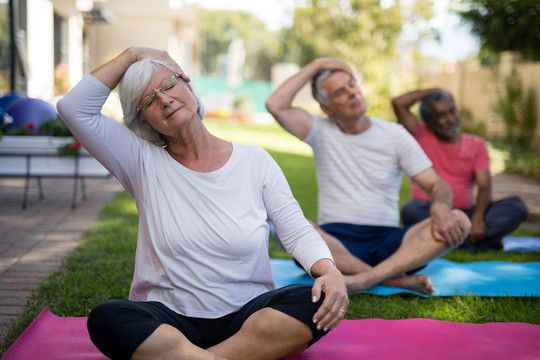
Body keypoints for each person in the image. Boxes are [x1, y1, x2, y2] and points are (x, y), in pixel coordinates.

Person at [57, 47, 348, 360]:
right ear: (144, 119)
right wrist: (133, 54)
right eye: (150, 100)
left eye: (168, 86)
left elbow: (294, 228)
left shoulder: (255, 161)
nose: (165, 99)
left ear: (188, 86)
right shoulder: (140, 160)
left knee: (316, 299)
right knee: (108, 319)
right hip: (171, 318)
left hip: (248, 314)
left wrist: (328, 270)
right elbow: (74, 108)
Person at [265, 58, 471, 296]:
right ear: (327, 108)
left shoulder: (395, 134)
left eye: (352, 84)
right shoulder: (319, 130)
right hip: (334, 242)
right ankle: (393, 280)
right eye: (341, 92)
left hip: (388, 243)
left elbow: (436, 184)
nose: (353, 93)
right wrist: (318, 65)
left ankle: (364, 279)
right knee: (282, 226)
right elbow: (275, 104)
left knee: (459, 219)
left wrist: (442, 207)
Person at [391, 88, 528, 250]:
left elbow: (484, 186)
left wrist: (477, 218)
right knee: (410, 210)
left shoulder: (477, 145)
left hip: (466, 215)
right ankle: (477, 243)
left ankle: (454, 241)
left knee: (516, 206)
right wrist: (435, 89)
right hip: (432, 213)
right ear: (429, 121)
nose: (450, 118)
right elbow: (398, 103)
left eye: (452, 111)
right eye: (441, 115)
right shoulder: (420, 135)